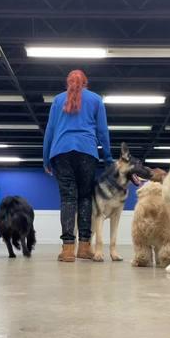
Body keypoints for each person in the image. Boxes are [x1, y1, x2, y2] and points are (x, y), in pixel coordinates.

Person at [43, 69, 113, 262]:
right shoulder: (96, 99)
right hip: (87, 152)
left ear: (68, 83)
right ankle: (84, 247)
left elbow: (50, 130)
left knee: (67, 198)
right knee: (84, 198)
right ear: (86, 83)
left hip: (61, 152)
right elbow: (102, 131)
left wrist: (46, 158)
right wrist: (108, 158)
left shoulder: (58, 100)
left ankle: (67, 250)